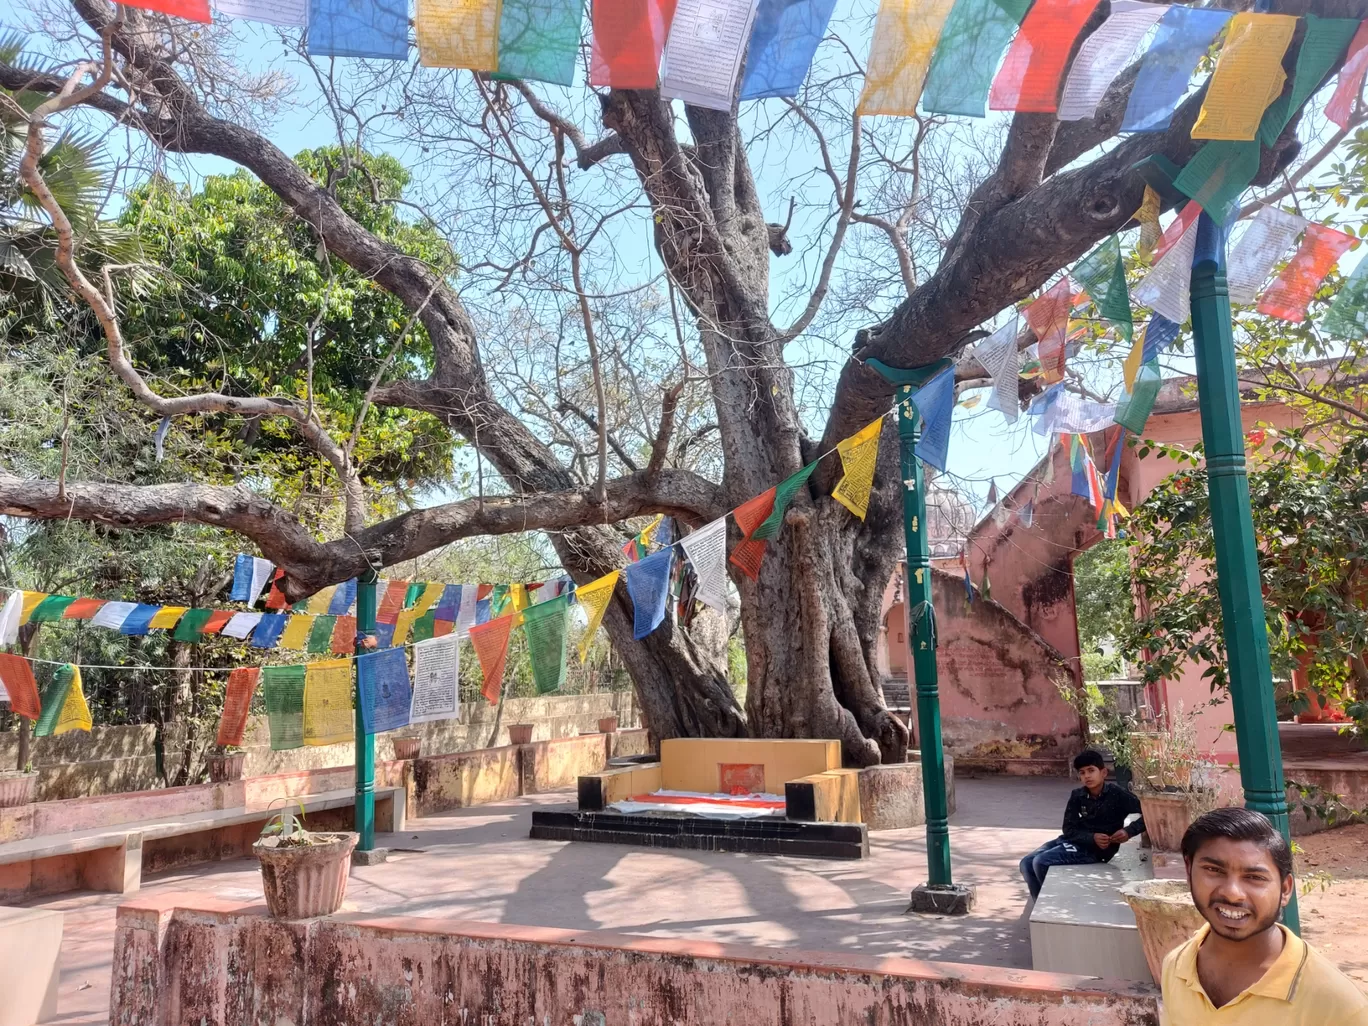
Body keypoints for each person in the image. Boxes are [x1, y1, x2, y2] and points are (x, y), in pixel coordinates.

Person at [1161, 807, 1368, 1024]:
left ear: (1286, 889)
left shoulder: (1340, 1007)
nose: (1232, 893)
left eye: (1254, 877)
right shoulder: (1176, 967)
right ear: (1189, 870)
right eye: (1214, 870)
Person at [1018, 748, 1144, 902]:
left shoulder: (1118, 795)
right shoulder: (1077, 795)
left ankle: (1053, 904)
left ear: (1103, 773)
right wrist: (1091, 837)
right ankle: (1040, 903)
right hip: (1074, 841)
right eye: (1082, 772)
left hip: (1097, 850)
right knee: (1026, 863)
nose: (1087, 776)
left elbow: (1148, 814)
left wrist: (1129, 831)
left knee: (1040, 862)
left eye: (1091, 770)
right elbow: (1068, 828)